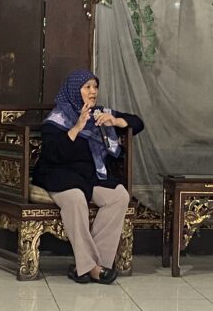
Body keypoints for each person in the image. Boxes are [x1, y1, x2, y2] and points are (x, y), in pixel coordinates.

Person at [33, 69, 144, 285]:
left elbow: (137, 122)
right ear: (75, 91)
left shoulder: (99, 114)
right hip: (59, 174)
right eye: (87, 87)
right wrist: (77, 127)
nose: (93, 92)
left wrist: (115, 121)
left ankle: (94, 264)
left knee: (119, 196)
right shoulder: (58, 117)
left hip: (90, 175)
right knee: (75, 198)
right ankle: (91, 267)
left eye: (95, 87)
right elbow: (53, 154)